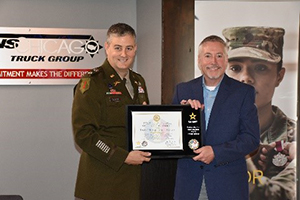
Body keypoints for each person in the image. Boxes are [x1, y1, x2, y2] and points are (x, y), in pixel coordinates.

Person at [172, 35, 260, 200]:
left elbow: (251, 139)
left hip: (227, 185)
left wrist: (216, 152)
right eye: (208, 56)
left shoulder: (243, 93)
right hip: (189, 185)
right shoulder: (182, 91)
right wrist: (181, 112)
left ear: (226, 60)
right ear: (199, 61)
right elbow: (171, 136)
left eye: (219, 56)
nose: (214, 61)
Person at [72, 23, 151, 200]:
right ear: (107, 47)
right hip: (101, 183)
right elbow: (84, 134)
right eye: (118, 48)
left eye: (129, 48)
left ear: (135, 49)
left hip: (132, 181)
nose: (124, 54)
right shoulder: (92, 82)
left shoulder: (139, 82)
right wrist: (122, 156)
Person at [223, 26, 296, 200]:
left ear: (279, 76)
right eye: (235, 68)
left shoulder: (295, 140)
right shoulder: (207, 134)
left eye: (261, 68)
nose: (245, 78)